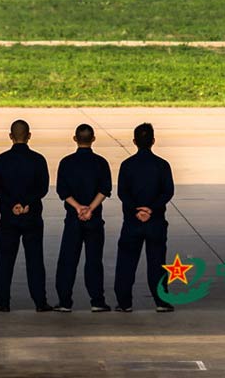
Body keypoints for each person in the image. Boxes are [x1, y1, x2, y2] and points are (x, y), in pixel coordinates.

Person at [0, 120, 53, 312]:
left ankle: (3, 302)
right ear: (29, 136)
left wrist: (13, 204)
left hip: (9, 216)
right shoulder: (38, 160)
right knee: (34, 260)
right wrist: (27, 204)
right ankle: (40, 302)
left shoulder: (1, 160)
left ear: (11, 136)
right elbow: (42, 188)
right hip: (32, 216)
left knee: (4, 260)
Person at [113, 123, 175, 313]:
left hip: (132, 223)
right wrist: (151, 209)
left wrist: (136, 210)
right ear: (153, 141)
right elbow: (168, 192)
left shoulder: (127, 165)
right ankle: (161, 301)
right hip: (155, 222)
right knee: (157, 263)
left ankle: (124, 302)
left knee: (126, 262)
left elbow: (122, 193)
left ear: (134, 142)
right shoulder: (162, 165)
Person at [54, 124, 112, 312]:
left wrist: (78, 207)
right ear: (93, 139)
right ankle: (97, 300)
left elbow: (62, 191)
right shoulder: (101, 163)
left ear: (75, 138)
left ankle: (64, 301)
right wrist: (91, 209)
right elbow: (105, 190)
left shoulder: (66, 162)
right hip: (94, 219)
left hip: (73, 218)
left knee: (67, 260)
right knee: (94, 260)